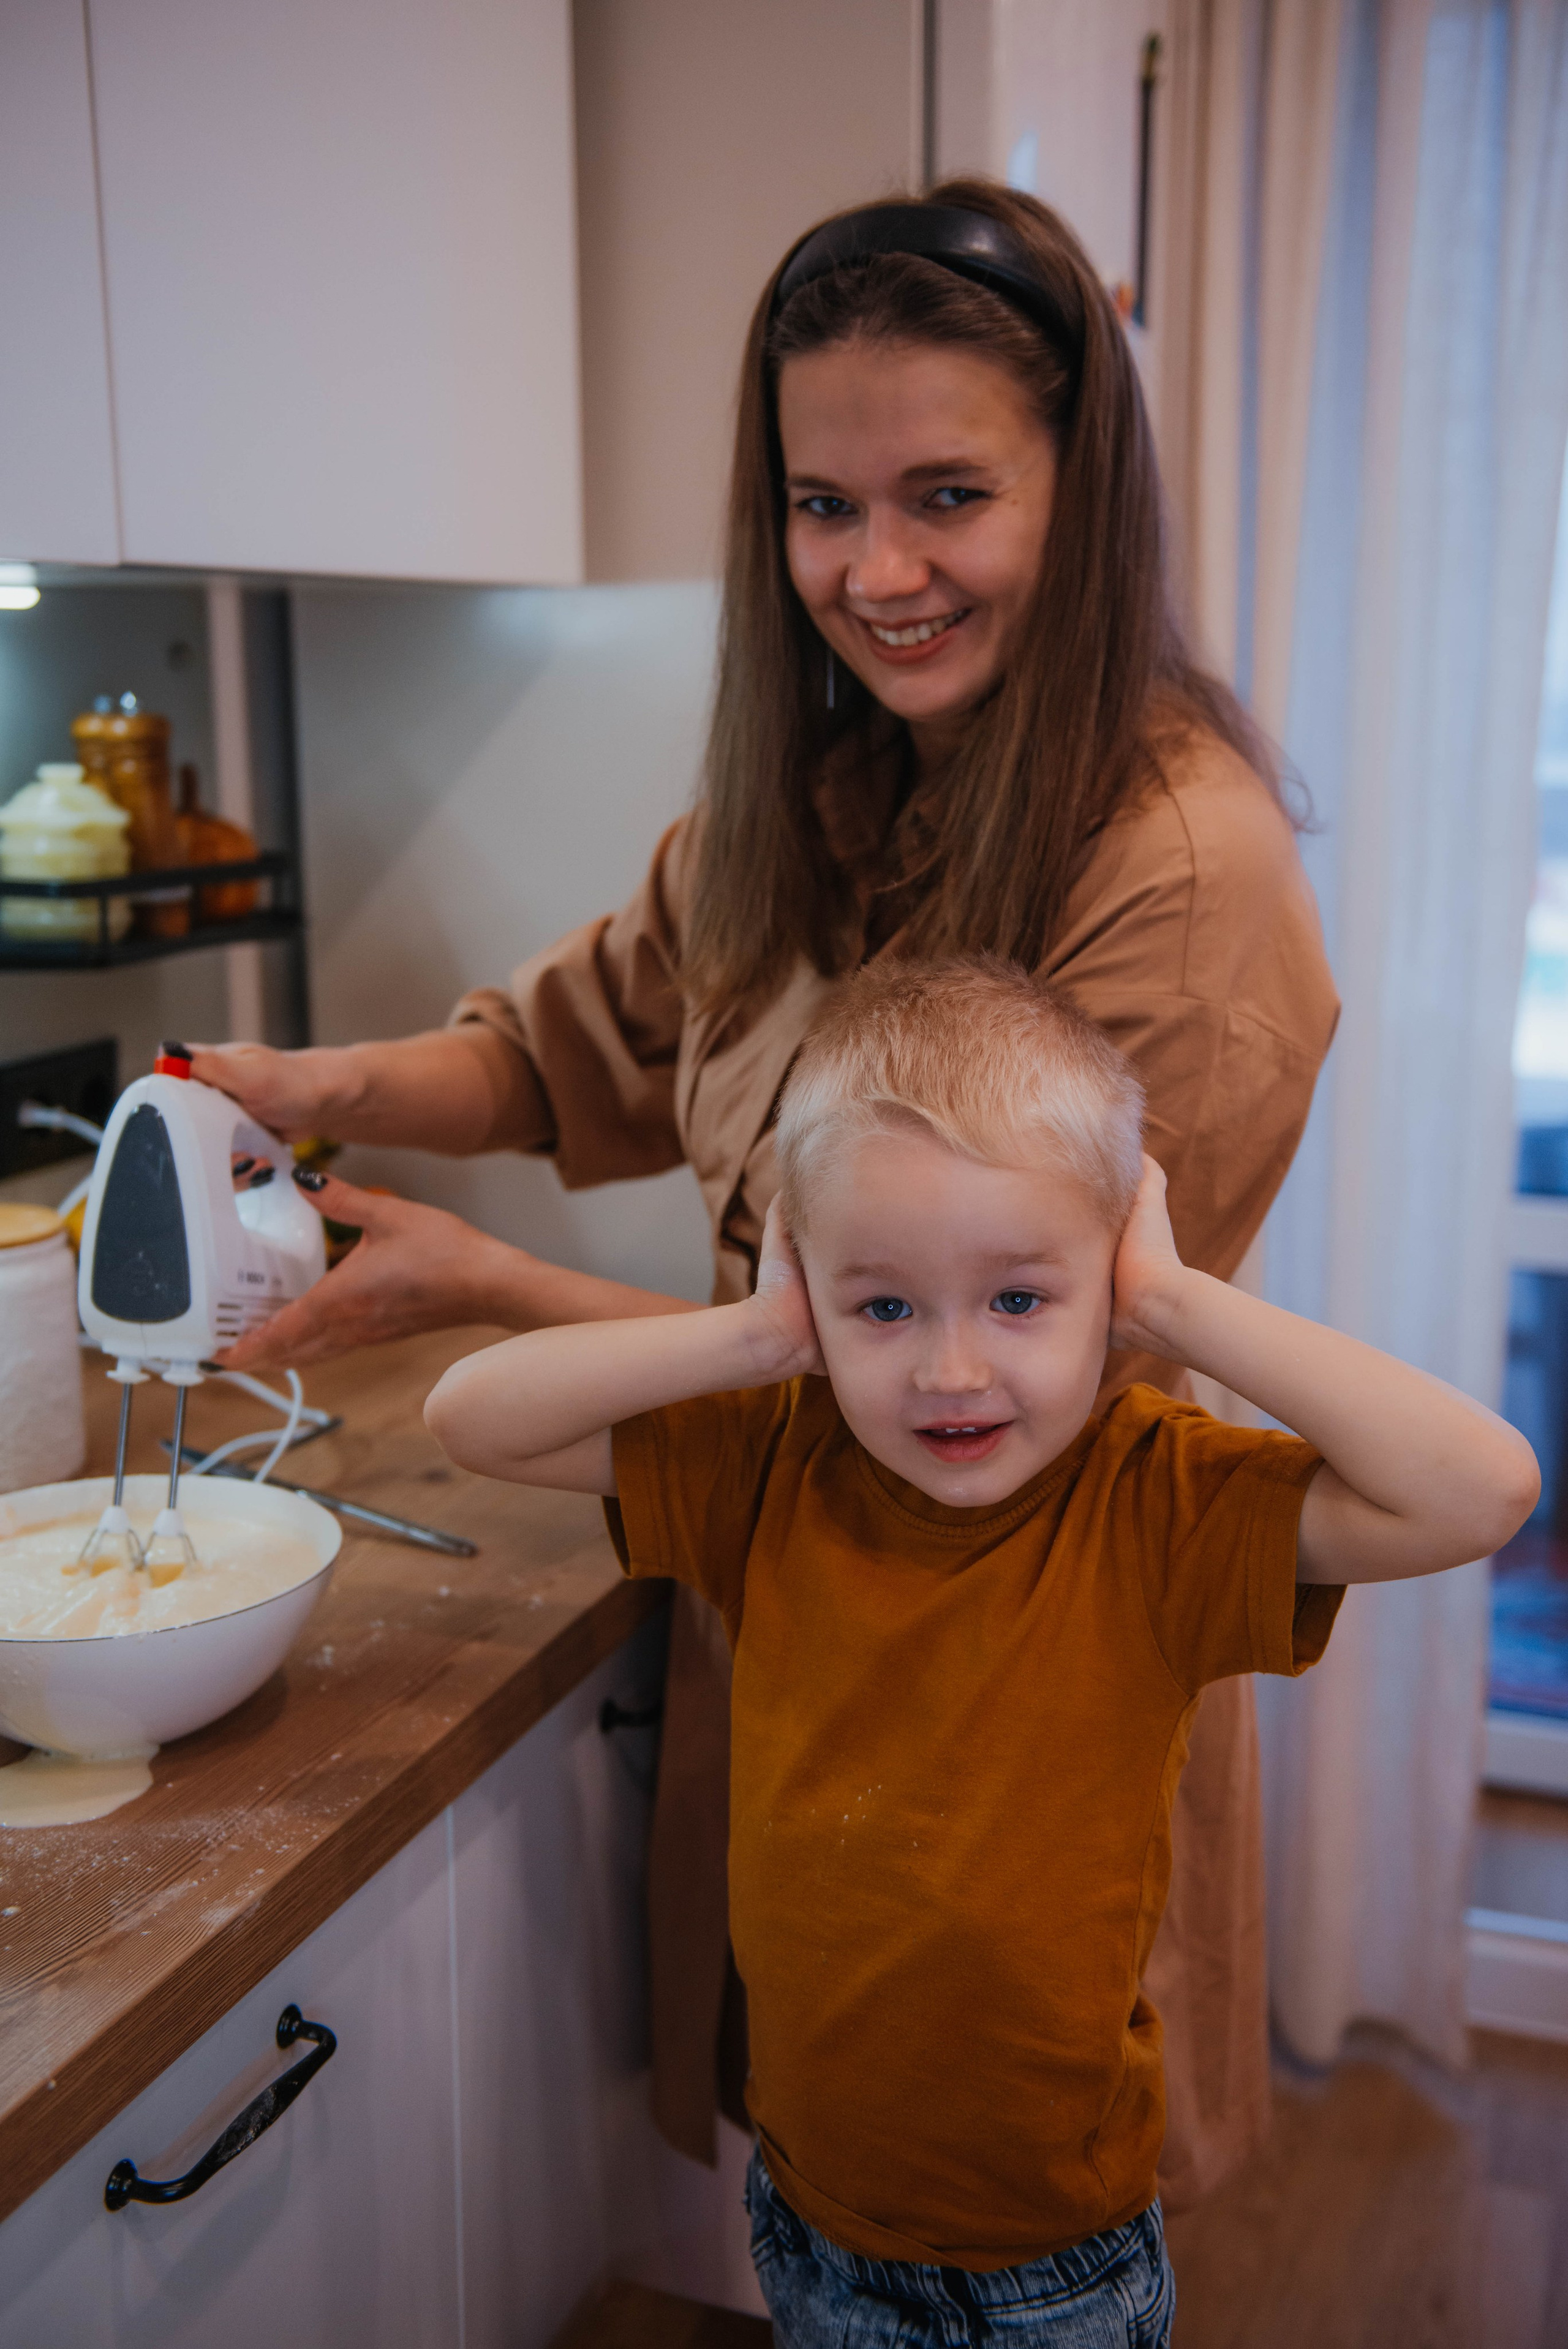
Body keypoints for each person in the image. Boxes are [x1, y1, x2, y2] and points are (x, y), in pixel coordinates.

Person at [192, 182, 1340, 2197]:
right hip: (807, 1642)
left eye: (947, 494)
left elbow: (964, 1373)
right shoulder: (812, 801)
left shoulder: (1178, 868)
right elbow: (566, 1050)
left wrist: (485, 1286)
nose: (876, 568)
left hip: (1022, 1679)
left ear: (1083, 494)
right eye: (822, 504)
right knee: (829, 2179)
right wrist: (312, 1080)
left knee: (1028, 2204)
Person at [424, 959, 1537, 2349]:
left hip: (1049, 2269)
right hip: (811, 2216)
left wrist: (1176, 1303)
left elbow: (1478, 1487)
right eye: (883, 1306)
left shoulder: (1155, 1503)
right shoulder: (770, 1462)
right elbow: (473, 1416)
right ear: (812, 1290)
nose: (950, 1372)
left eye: (1018, 1299)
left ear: (1106, 1287)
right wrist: (764, 1335)